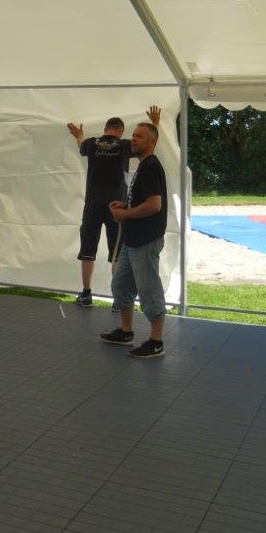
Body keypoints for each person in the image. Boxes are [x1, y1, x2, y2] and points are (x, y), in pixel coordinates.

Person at [67, 106, 160, 307]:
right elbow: (147, 145)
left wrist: (79, 134)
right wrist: (155, 124)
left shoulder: (92, 143)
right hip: (117, 207)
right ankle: (118, 300)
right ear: (120, 130)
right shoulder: (125, 145)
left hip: (92, 204)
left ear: (106, 129)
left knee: (88, 250)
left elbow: (81, 144)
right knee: (117, 253)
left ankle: (86, 294)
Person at [100, 121, 168, 358]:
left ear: (153, 142)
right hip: (133, 240)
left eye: (139, 136)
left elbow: (154, 205)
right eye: (133, 135)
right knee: (120, 285)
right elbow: (144, 200)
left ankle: (156, 342)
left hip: (145, 240)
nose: (134, 139)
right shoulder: (143, 166)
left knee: (149, 291)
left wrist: (125, 214)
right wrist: (125, 205)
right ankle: (126, 332)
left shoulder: (150, 166)